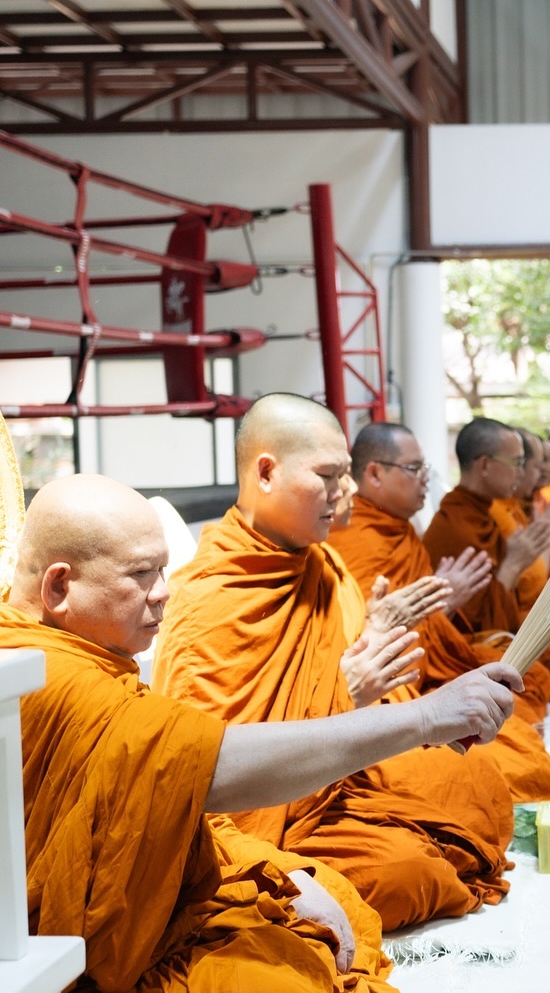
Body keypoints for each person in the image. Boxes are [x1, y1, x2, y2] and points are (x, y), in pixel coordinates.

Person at [0, 475, 516, 993]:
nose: (164, 593)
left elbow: (162, 784)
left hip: (242, 828)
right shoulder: (41, 673)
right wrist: (421, 718)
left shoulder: (319, 568)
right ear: (60, 586)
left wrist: (270, 871)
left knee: (334, 889)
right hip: (69, 968)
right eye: (141, 575)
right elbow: (208, 765)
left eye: (164, 570)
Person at [153, 394, 523, 932]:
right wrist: (347, 693)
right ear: (265, 472)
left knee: (475, 786)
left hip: (336, 776)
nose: (344, 493)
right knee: (409, 874)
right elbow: (208, 771)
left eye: (346, 475)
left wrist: (374, 636)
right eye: (328, 475)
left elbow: (346, 668)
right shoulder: (212, 595)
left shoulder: (321, 562)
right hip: (264, 813)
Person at [324, 421, 550, 803]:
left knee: (521, 703)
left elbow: (435, 627)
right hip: (391, 691)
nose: (425, 479)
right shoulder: (354, 539)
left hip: (425, 671)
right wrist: (439, 605)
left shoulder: (399, 530)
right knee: (489, 763)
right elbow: (354, 644)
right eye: (415, 469)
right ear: (374, 473)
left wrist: (439, 608)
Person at [423, 417, 550, 682]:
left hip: (506, 626)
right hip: (466, 645)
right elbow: (482, 623)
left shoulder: (483, 513)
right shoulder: (459, 526)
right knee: (548, 675)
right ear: (485, 465)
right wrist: (514, 564)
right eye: (517, 463)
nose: (522, 473)